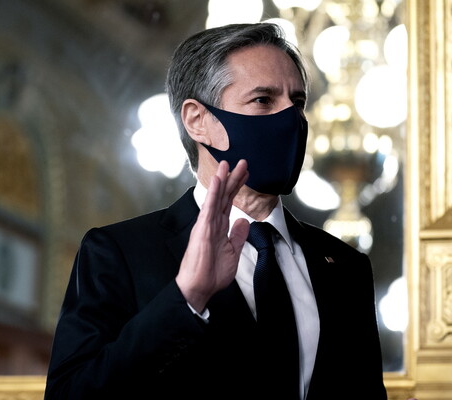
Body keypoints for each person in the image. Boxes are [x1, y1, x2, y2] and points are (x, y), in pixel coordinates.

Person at [44, 22, 387, 399]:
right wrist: (186, 297)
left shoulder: (346, 267)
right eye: (263, 100)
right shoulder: (118, 253)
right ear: (197, 121)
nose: (292, 118)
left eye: (298, 101)